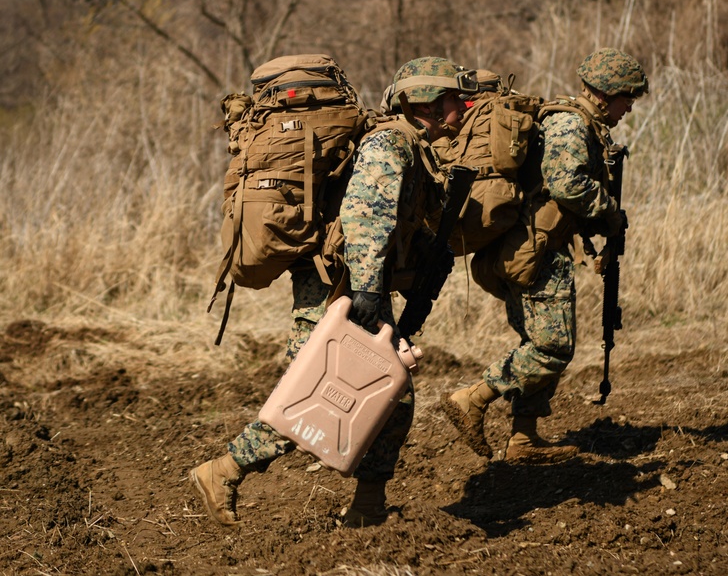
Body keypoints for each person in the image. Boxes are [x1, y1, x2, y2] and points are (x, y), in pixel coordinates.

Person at [189, 56, 474, 528]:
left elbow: (395, 224)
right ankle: (224, 471)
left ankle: (368, 509)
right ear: (422, 101)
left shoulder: (411, 146)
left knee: (391, 398)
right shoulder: (389, 143)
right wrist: (364, 290)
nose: (462, 108)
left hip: (357, 284)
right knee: (319, 396)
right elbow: (366, 216)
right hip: (338, 287)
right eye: (452, 99)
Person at [441, 48, 648, 464]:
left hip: (528, 249)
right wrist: (610, 211)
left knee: (534, 343)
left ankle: (523, 438)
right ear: (607, 94)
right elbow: (567, 184)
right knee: (552, 348)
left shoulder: (577, 122)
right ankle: (473, 398)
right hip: (535, 254)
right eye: (628, 97)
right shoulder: (571, 123)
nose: (630, 107)